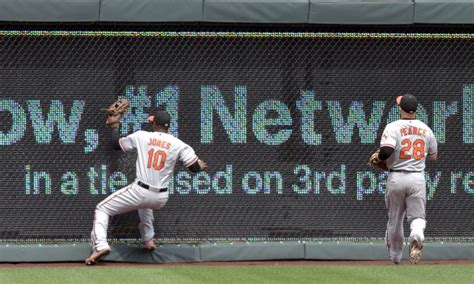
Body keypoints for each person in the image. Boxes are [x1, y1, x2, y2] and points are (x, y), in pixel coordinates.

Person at [85, 110, 207, 265]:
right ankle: (149, 241)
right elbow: (194, 168)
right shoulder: (179, 144)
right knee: (145, 206)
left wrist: (115, 126)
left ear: (154, 123)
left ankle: (100, 245)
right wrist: (200, 166)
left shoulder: (142, 136)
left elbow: (117, 144)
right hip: (161, 198)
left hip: (141, 190)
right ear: (168, 127)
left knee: (102, 208)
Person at [377, 94, 437, 264]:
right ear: (415, 109)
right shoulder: (426, 129)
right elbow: (433, 156)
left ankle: (395, 257)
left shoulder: (393, 126)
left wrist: (381, 159)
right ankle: (417, 235)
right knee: (417, 216)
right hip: (417, 177)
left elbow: (386, 151)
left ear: (400, 108)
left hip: (396, 176)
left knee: (395, 219)